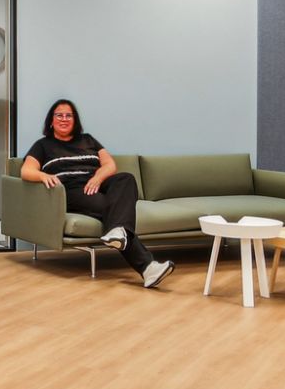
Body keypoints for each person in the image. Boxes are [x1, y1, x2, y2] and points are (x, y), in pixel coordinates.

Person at [21, 97, 172, 288]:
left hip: (96, 183)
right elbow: (26, 171)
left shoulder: (88, 140)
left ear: (75, 120)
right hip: (72, 189)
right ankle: (147, 267)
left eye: (69, 115)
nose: (64, 119)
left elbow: (109, 165)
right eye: (59, 115)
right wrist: (43, 176)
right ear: (51, 120)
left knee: (126, 178)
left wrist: (98, 178)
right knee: (110, 208)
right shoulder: (43, 145)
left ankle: (118, 233)